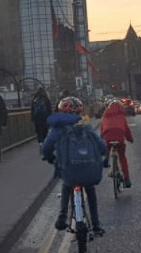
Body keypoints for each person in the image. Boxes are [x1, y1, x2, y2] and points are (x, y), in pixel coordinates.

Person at [42, 96, 106, 234]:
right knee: (90, 191)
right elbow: (100, 144)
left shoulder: (58, 128)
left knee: (66, 184)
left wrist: (49, 157)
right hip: (88, 166)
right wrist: (102, 154)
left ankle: (62, 216)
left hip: (69, 167)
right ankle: (96, 225)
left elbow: (47, 146)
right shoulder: (85, 125)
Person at [99, 100, 134, 188]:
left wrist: (101, 137)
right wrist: (130, 139)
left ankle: (106, 159)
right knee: (122, 157)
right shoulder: (121, 115)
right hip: (119, 137)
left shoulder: (105, 114)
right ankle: (127, 179)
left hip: (108, 136)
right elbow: (126, 130)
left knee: (108, 145)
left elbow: (102, 128)